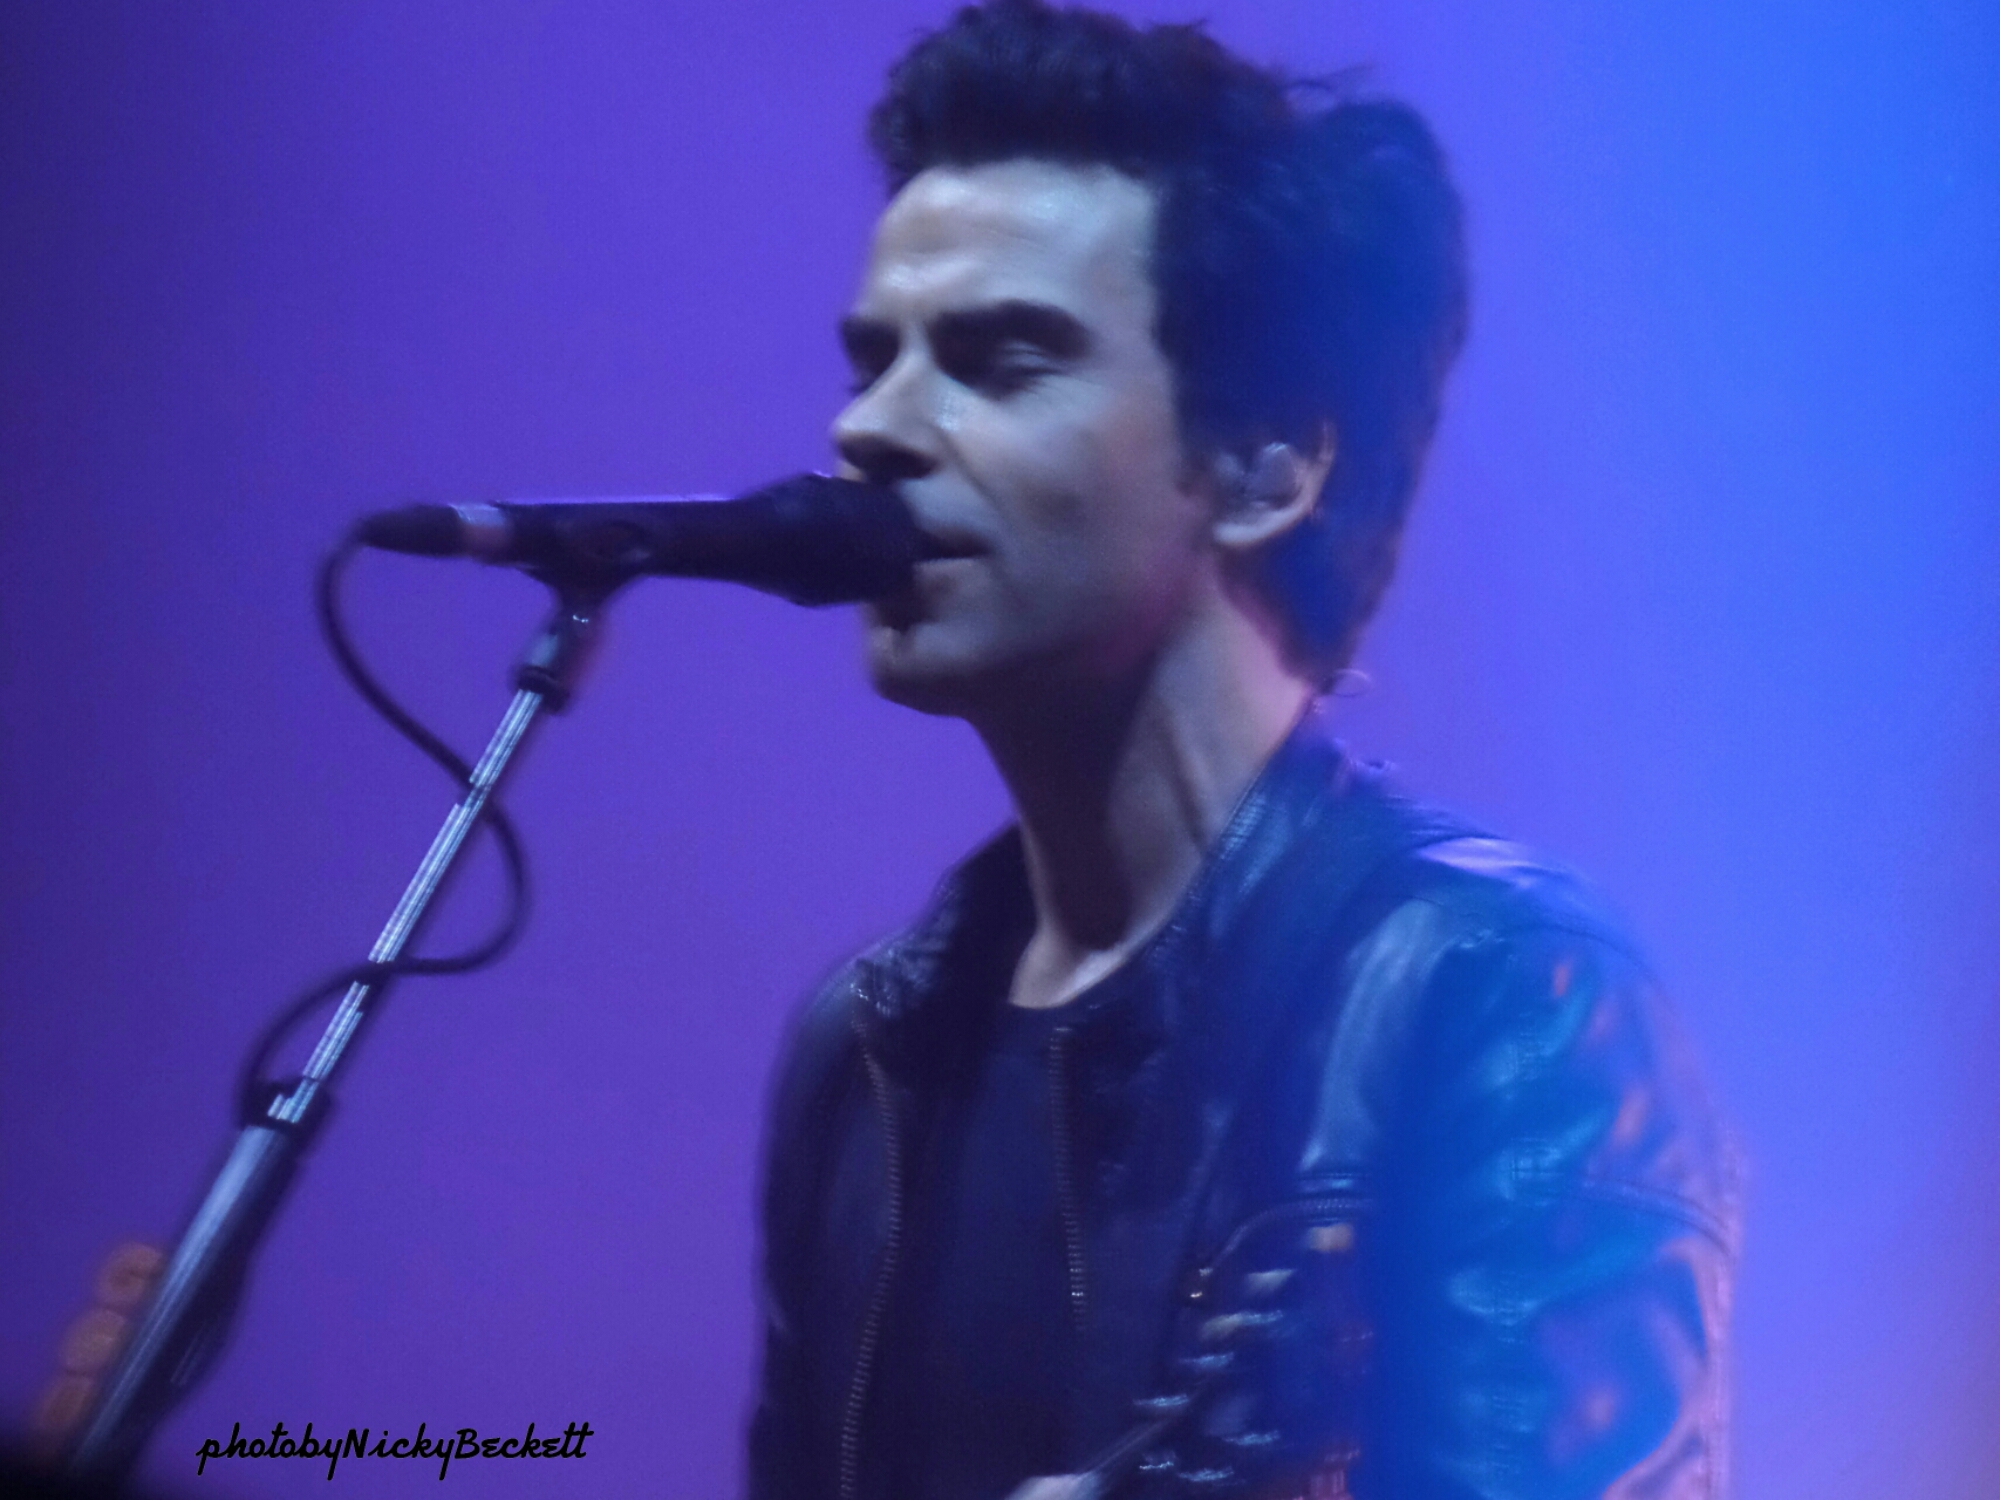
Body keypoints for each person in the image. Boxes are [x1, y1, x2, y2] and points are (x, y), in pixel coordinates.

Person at [749, 3, 1739, 1498]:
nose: (872, 431)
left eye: (999, 361)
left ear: (1270, 467)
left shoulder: (1498, 997)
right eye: (869, 362)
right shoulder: (869, 1046)